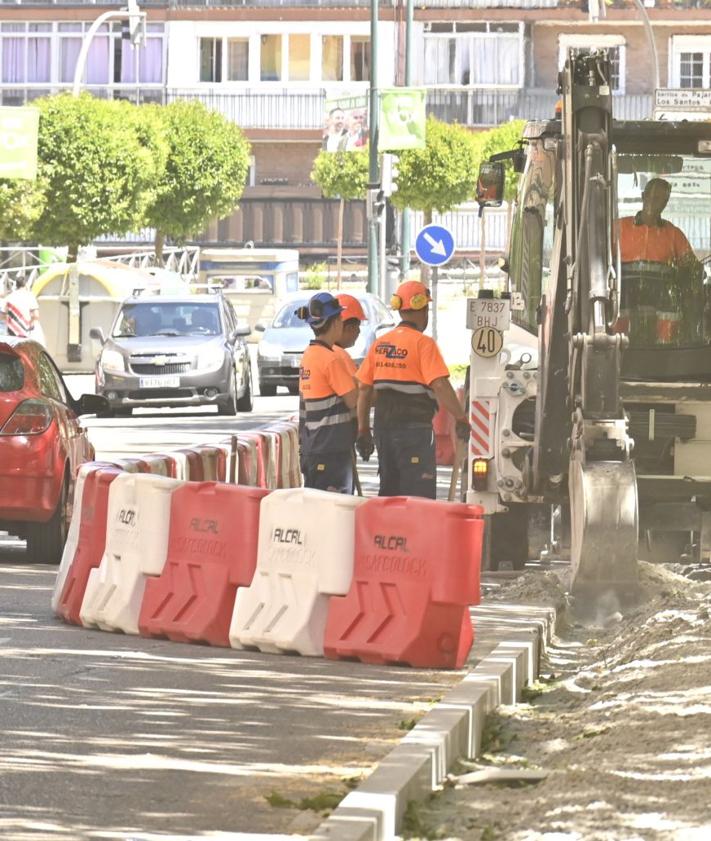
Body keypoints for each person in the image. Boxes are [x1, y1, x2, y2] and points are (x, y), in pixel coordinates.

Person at [355, 281, 469, 499]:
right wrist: (461, 418)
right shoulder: (423, 344)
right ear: (424, 310)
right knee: (418, 496)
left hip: (383, 429)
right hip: (414, 431)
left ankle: (389, 532)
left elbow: (364, 389)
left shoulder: (380, 344)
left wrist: (363, 430)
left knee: (390, 492)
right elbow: (440, 385)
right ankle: (415, 533)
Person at [296, 292, 358, 494]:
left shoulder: (309, 355)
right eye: (340, 318)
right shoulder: (330, 360)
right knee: (336, 513)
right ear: (335, 323)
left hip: (313, 446)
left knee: (316, 511)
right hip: (332, 449)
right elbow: (353, 400)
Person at [619, 178, 697, 266]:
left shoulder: (674, 235)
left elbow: (692, 268)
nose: (654, 202)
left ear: (665, 203)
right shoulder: (619, 228)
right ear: (643, 196)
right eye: (652, 196)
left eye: (662, 200)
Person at [1, 276, 44, 345]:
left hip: (11, 332)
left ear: (16, 285)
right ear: (26, 284)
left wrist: (11, 320)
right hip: (27, 331)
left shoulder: (9, 297)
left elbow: (2, 316)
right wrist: (29, 323)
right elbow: (36, 315)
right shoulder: (30, 296)